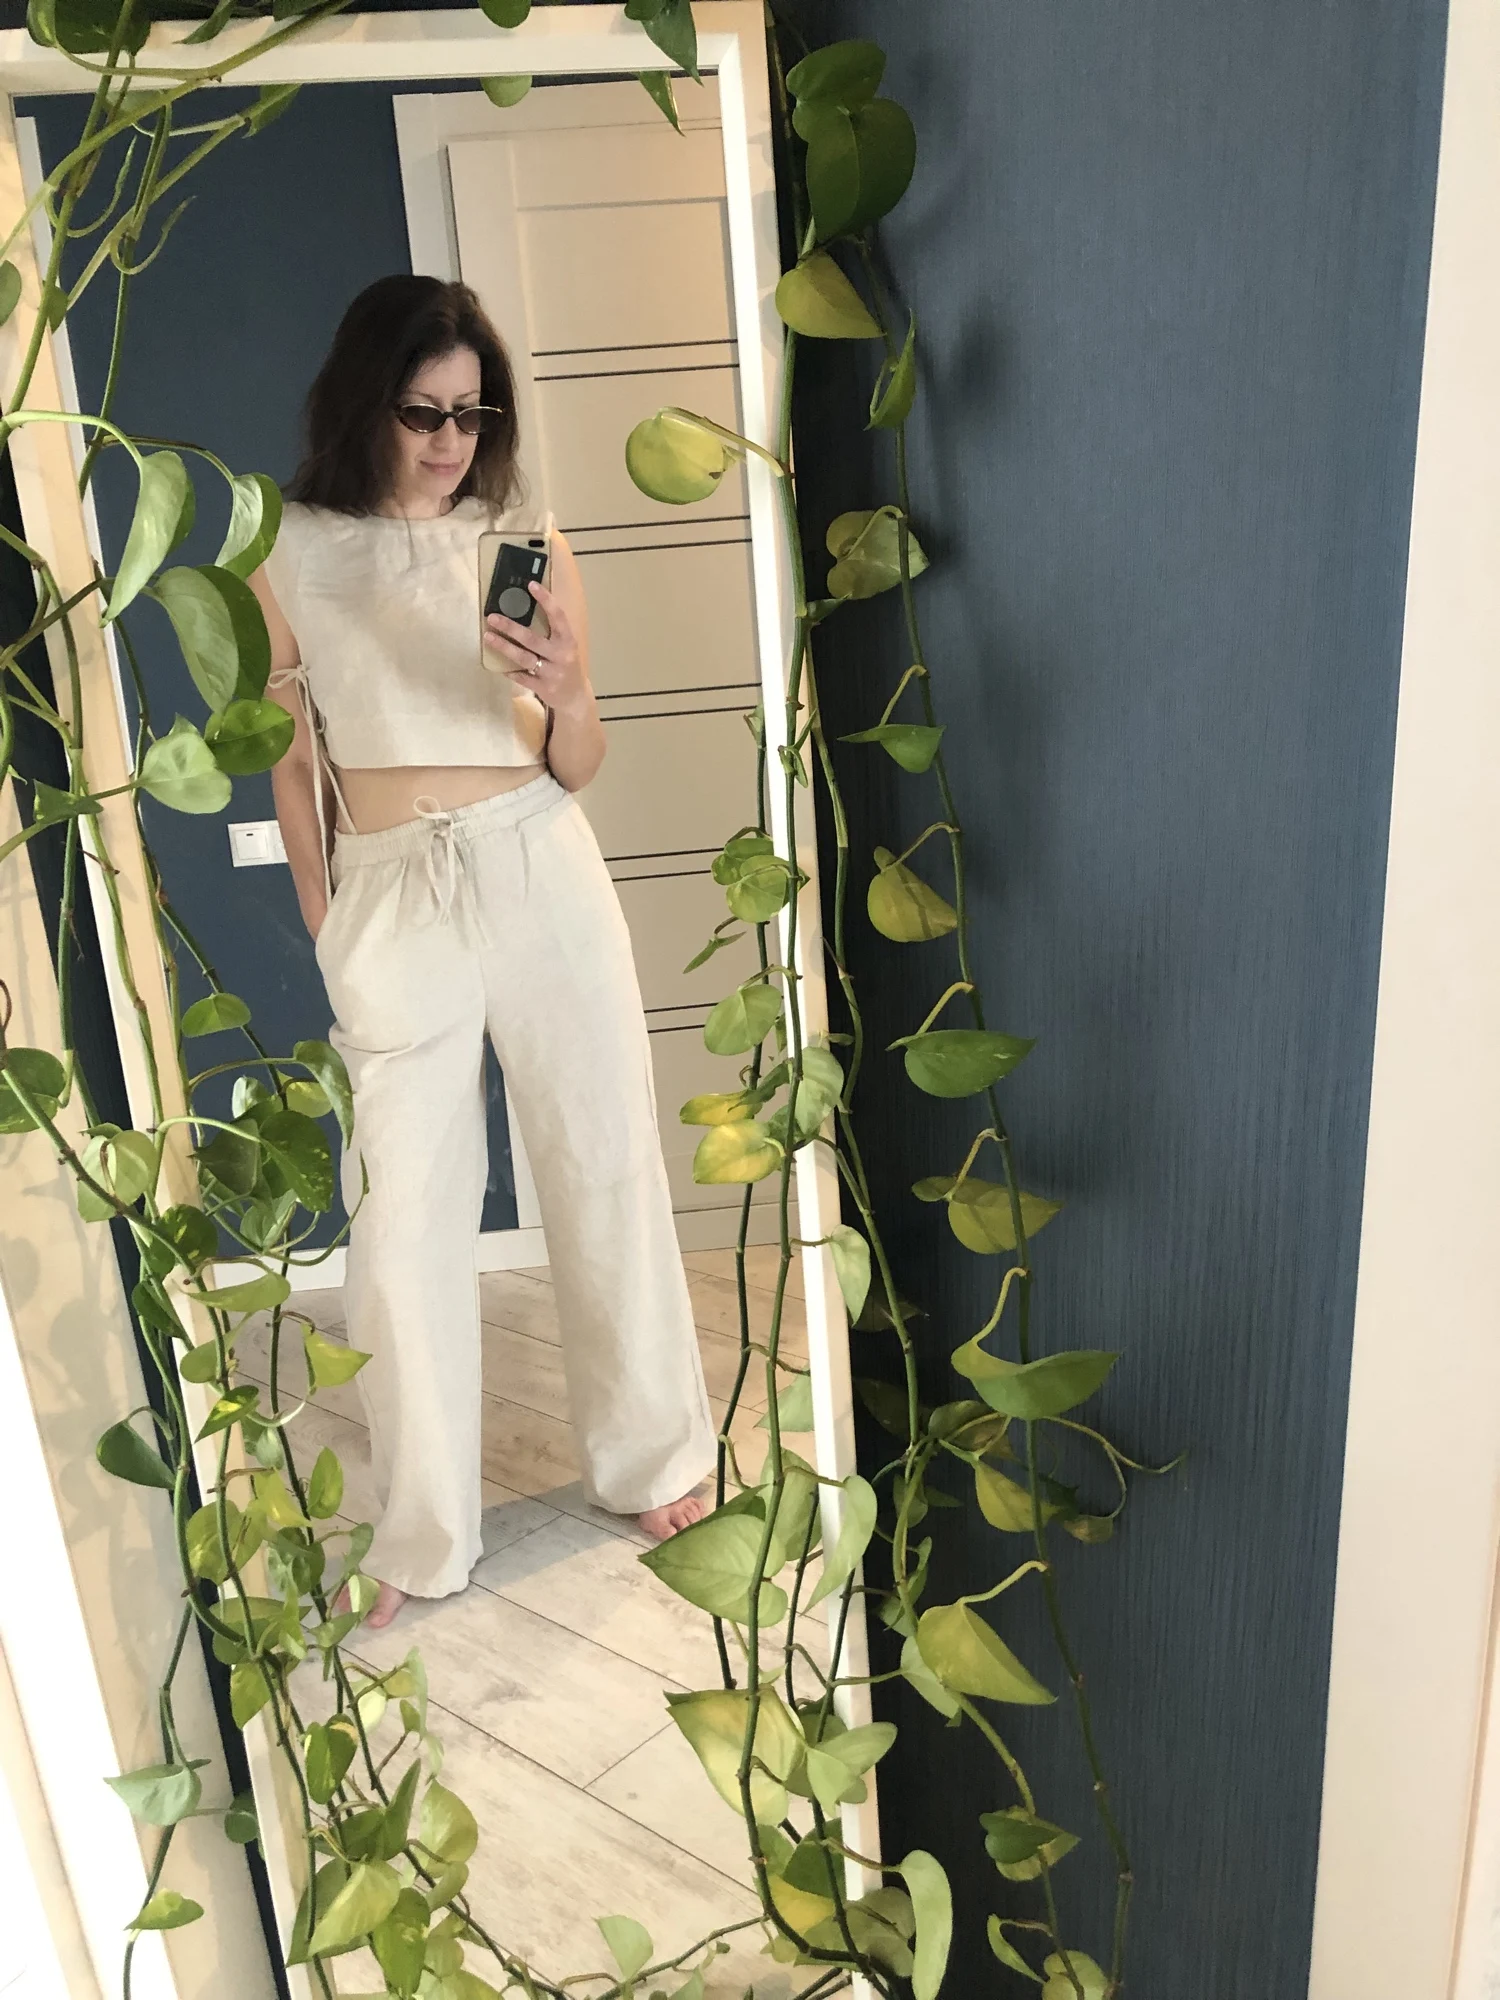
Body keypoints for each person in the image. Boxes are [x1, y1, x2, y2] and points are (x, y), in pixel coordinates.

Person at [254, 274, 715, 1631]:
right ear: (365, 402)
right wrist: (328, 918)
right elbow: (290, 754)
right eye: (423, 412)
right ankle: (422, 1531)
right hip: (389, 891)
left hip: (535, 859)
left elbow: (577, 761)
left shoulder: (523, 537)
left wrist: (569, 692)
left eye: (472, 413)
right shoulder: (286, 550)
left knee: (604, 1160)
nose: (452, 440)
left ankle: (654, 1457)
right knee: (401, 1222)